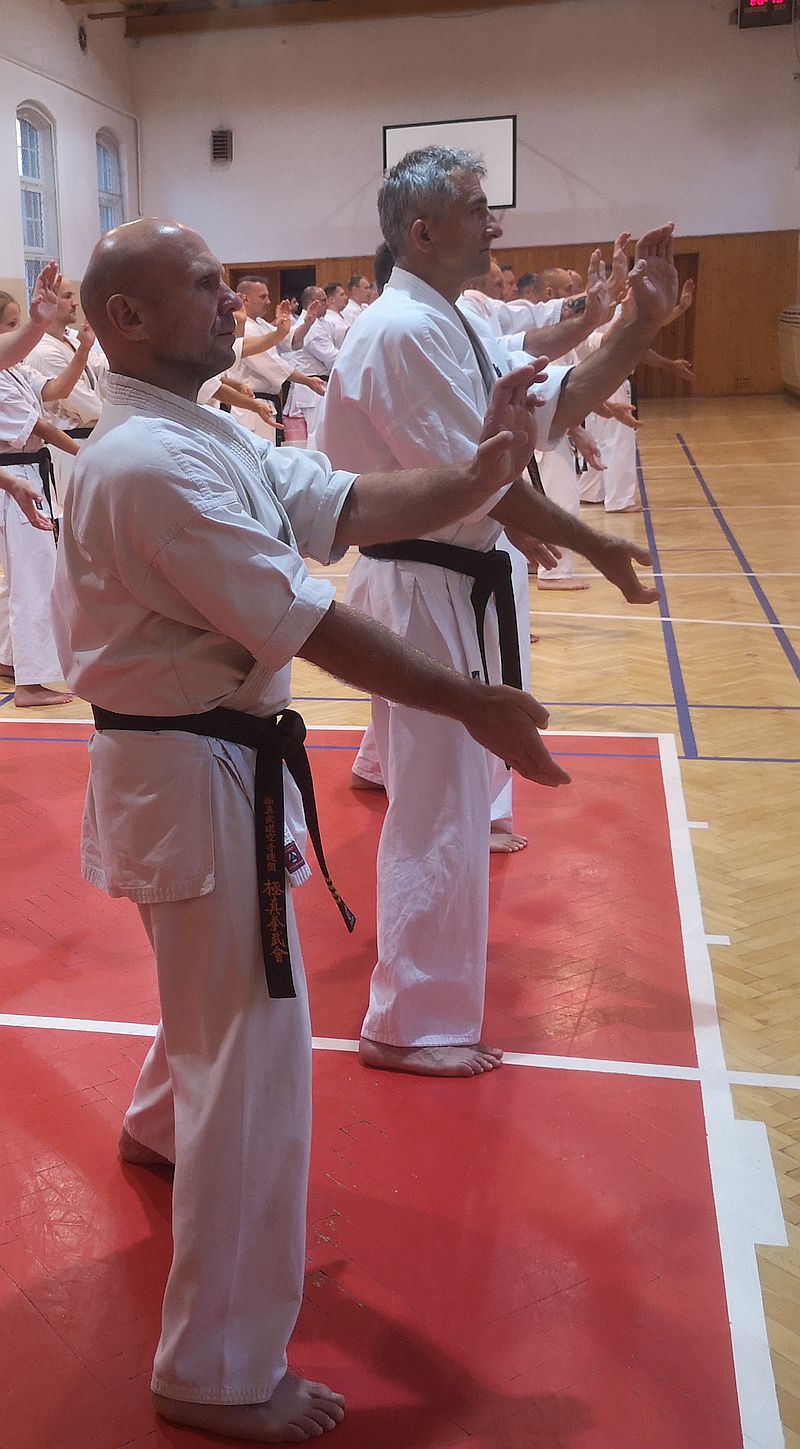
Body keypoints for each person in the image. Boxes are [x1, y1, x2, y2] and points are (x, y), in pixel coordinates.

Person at [51, 216, 560, 1444]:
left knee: (217, 1014)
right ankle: (217, 1369)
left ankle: (157, 1129)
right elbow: (310, 620)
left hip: (201, 763)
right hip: (194, 770)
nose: (234, 298)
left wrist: (479, 473)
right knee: (255, 1062)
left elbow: (343, 503)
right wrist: (467, 700)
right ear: (127, 319)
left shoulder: (201, 430)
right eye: (205, 284)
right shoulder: (148, 463)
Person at [316, 145, 678, 1080]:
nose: (496, 223)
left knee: (454, 799)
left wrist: (639, 321)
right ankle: (409, 1021)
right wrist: (596, 544)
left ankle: (428, 995)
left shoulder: (453, 319)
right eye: (478, 208)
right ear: (422, 231)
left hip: (449, 578)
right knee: (436, 806)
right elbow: (479, 480)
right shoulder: (402, 331)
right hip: (421, 584)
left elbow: (553, 406)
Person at [0, 288, 94, 706]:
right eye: (10, 324)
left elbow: (55, 390)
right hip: (14, 476)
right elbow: (39, 426)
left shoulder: (15, 370)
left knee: (21, 578)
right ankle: (31, 683)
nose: (18, 331)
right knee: (35, 579)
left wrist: (82, 351)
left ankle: (8, 658)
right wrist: (86, 453)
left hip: (26, 473)